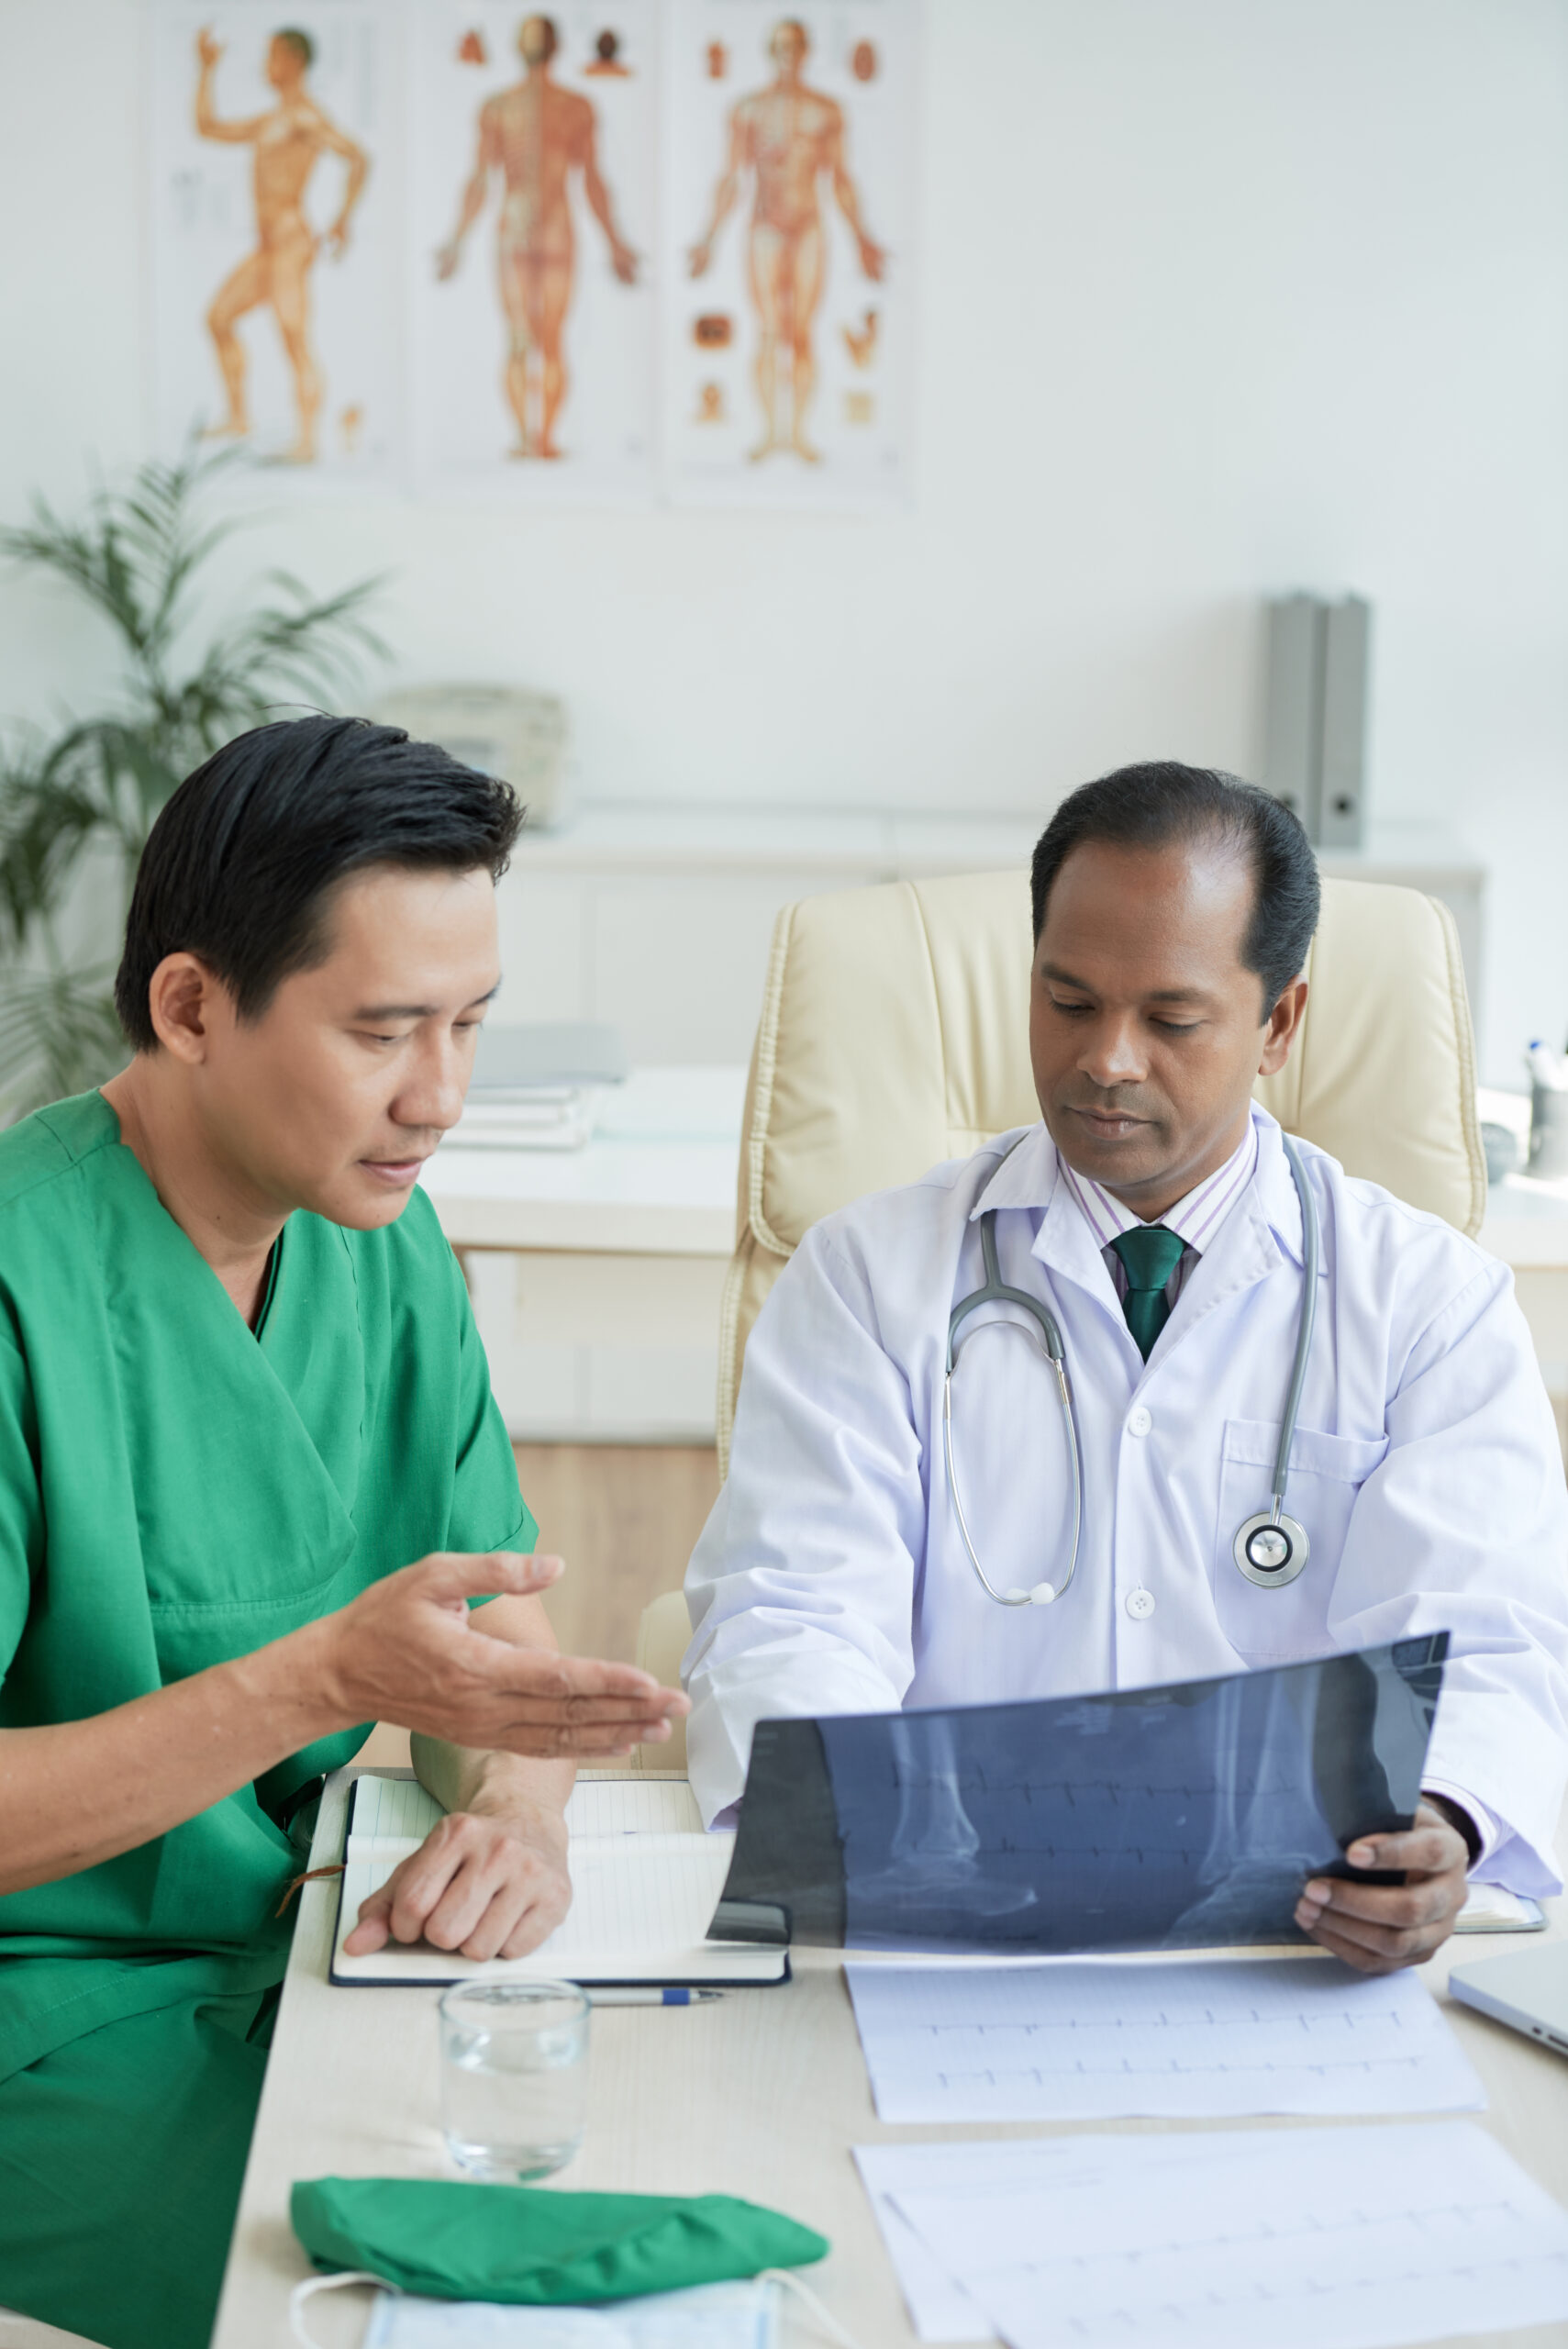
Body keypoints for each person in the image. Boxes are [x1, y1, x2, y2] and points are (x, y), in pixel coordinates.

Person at [0, 716, 687, 2349]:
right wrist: (317, 1685)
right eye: (384, 1030)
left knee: (652, 2206)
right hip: (47, 2029)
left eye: (468, 1025)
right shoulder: (23, 1288)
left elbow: (495, 1638)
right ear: (189, 1007)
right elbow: (362, 1672)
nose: (439, 1096)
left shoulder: (379, 1242)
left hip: (304, 1956)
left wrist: (520, 1811)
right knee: (410, 2310)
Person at [684, 763, 1568, 1974]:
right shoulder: (867, 1273)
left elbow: (1486, 1638)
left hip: (1291, 1956)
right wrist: (848, 1820)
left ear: (1279, 1024)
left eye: (1170, 1018)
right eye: (1068, 1001)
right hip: (944, 1936)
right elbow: (792, 1601)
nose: (1105, 1059)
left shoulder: (1428, 1302)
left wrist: (1440, 1825)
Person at [436, 13, 639, 462]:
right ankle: (525, 437)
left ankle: (543, 437)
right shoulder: (497, 106)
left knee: (549, 337)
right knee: (519, 336)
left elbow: (592, 180)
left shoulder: (576, 106)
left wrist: (616, 242)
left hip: (554, 229)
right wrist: (456, 239)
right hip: (514, 226)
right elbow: (480, 179)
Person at [688, 17, 884, 462]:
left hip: (809, 227)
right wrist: (708, 239)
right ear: (769, 52)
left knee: (800, 332)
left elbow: (841, 179)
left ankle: (796, 433)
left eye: (794, 46)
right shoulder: (748, 109)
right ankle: (770, 433)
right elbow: (731, 178)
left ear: (806, 51)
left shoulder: (826, 111)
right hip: (764, 228)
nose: (787, 55)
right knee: (768, 330)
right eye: (779, 46)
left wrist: (862, 238)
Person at [195, 25, 369, 464]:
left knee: (294, 338)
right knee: (218, 318)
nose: (265, 66)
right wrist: (206, 70)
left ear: (292, 60)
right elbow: (207, 127)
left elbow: (358, 157)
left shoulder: (306, 117)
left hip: (291, 242)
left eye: (271, 56)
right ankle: (238, 416)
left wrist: (343, 220)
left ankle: (306, 442)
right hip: (266, 246)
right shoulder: (271, 120)